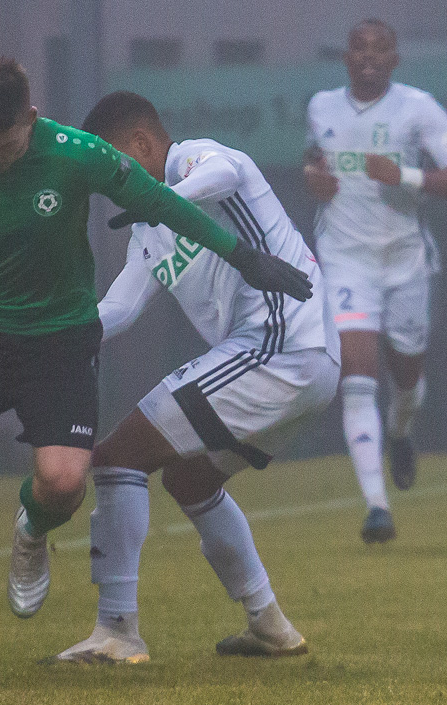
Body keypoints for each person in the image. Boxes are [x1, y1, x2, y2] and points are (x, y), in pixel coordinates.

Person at [0, 59, 312, 674]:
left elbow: (159, 202)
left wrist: (244, 257)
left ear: (32, 119)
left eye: (5, 145)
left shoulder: (78, 154)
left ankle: (31, 529)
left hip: (56, 339)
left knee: (65, 482)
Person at [44, 91, 340, 664]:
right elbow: (121, 309)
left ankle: (117, 631)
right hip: (297, 362)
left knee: (117, 457)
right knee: (190, 480)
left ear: (141, 144)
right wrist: (51, 338)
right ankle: (270, 626)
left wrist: (160, 200)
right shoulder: (148, 231)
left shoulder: (195, 159)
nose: (108, 183)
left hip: (281, 345)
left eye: (112, 164)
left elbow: (227, 174)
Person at [304, 19, 447, 543]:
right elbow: (314, 160)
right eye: (359, 48)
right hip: (345, 259)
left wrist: (404, 175)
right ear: (346, 58)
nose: (368, 56)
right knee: (357, 379)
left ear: (395, 58)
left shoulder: (418, 108)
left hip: (405, 260)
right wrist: (314, 178)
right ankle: (377, 508)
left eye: (379, 48)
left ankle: (401, 431)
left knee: (406, 378)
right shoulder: (322, 106)